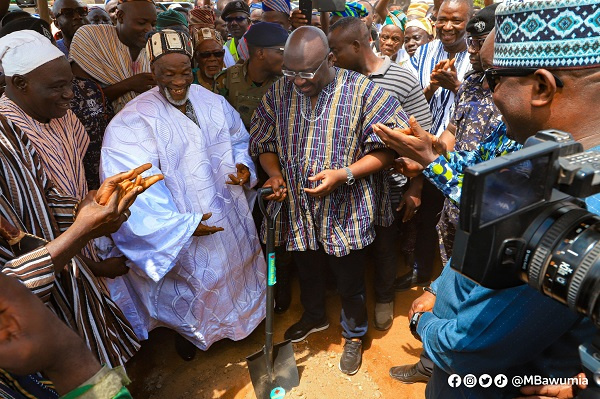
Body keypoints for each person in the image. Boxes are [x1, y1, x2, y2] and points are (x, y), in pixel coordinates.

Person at [375, 0, 600, 397]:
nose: (487, 92)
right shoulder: (540, 153)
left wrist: (423, 327)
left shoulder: (571, 211)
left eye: (494, 78)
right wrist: (440, 287)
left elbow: (469, 350)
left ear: (542, 87)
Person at [100, 30, 266, 361]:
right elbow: (134, 185)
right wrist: (181, 226)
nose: (178, 81)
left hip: (226, 211)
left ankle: (244, 323)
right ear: (153, 71)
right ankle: (191, 335)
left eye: (184, 71)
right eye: (168, 73)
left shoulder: (212, 101)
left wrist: (243, 165)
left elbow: (237, 139)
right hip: (181, 221)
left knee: (236, 268)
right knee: (192, 285)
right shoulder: (131, 121)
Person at [250, 26, 408, 375]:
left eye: (305, 73)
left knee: (349, 276)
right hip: (298, 207)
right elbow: (263, 143)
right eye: (289, 72)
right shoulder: (278, 94)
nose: (297, 81)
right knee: (308, 267)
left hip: (345, 208)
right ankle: (315, 315)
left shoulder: (364, 92)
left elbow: (388, 149)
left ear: (330, 60)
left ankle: (354, 334)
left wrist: (344, 174)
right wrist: (274, 173)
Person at [0, 107, 160, 397]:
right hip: (24, 356)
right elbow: (8, 294)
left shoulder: (6, 130)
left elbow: (44, 197)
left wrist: (90, 208)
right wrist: (80, 232)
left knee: (101, 374)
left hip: (69, 296)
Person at [389, 4, 501, 385]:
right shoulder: (472, 83)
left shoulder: (512, 96)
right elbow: (454, 131)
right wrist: (427, 155)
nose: (472, 49)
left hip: (490, 217)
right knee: (448, 279)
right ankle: (432, 364)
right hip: (455, 206)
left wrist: (430, 160)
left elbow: (494, 178)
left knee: (476, 301)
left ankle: (457, 369)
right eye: (471, 42)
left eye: (479, 41)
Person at [328, 16, 432, 330]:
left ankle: (385, 298)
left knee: (386, 245)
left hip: (391, 184)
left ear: (357, 45)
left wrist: (416, 187)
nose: (331, 56)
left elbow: (422, 136)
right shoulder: (337, 79)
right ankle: (353, 307)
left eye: (336, 49)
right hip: (349, 185)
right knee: (352, 246)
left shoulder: (401, 79)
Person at [69, 0, 157, 113]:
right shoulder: (92, 39)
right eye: (141, 23)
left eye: (153, 24)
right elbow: (81, 99)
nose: (149, 29)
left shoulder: (154, 47)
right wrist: (128, 85)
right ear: (120, 16)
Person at [407, 0, 472, 137]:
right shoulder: (422, 53)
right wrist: (431, 88)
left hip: (458, 148)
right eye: (442, 20)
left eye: (456, 21)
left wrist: (457, 87)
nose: (447, 27)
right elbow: (408, 104)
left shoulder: (477, 57)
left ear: (469, 22)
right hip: (421, 142)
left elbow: (485, 107)